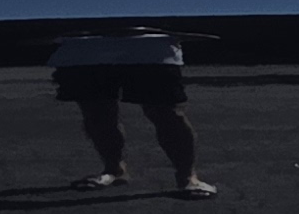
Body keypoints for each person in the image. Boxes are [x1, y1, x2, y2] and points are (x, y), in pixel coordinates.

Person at [49, 31, 216, 198]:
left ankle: (188, 177)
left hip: (149, 48)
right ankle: (113, 171)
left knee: (166, 112)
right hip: (85, 48)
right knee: (97, 113)